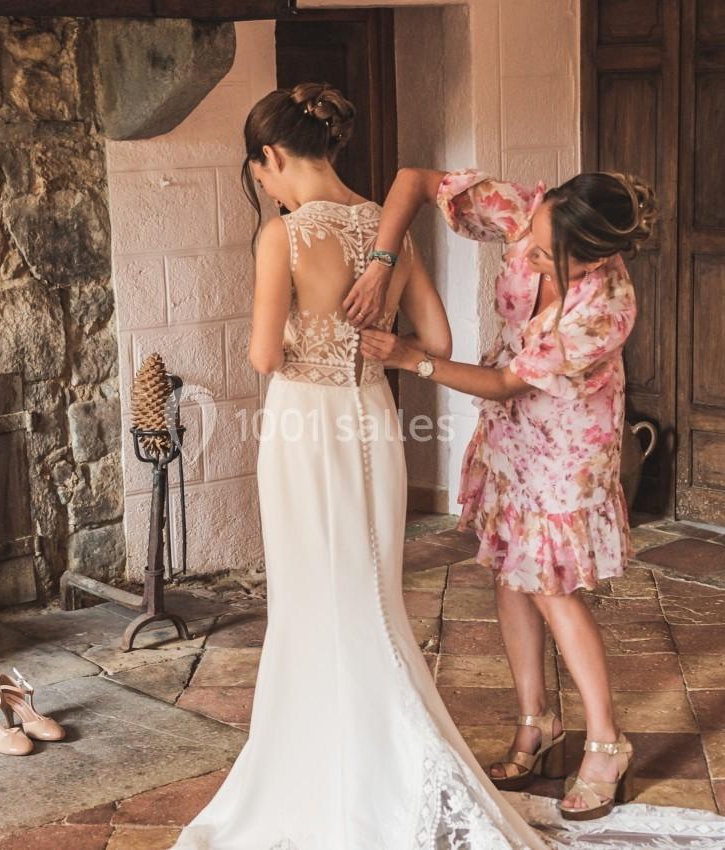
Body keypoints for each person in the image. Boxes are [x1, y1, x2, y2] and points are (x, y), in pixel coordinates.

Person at [172, 81, 550, 850]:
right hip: (374, 419)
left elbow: (262, 354)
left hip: (305, 427)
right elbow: (436, 344)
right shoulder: (390, 234)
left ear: (271, 157)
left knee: (313, 596)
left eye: (262, 173)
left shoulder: (282, 236)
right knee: (372, 595)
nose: (266, 187)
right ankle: (392, 759)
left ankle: (326, 771)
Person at [356, 166, 649, 819]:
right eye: (532, 239)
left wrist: (412, 359)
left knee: (551, 587)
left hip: (569, 444)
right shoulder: (533, 208)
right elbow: (411, 181)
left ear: (595, 255)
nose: (528, 250)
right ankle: (537, 718)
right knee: (509, 573)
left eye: (545, 253)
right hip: (512, 439)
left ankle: (607, 741)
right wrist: (381, 261)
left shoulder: (604, 310)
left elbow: (512, 381)